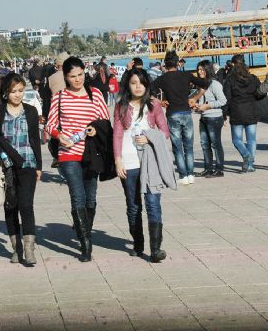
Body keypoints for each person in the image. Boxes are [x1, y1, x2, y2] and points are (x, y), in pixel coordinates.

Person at [45, 56, 109, 262]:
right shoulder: (60, 97)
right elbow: (49, 125)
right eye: (73, 76)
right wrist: (59, 135)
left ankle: (85, 230)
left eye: (80, 74)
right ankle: (85, 244)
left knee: (91, 197)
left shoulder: (95, 94)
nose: (77, 79)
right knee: (78, 196)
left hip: (91, 153)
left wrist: (95, 129)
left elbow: (105, 120)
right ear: (65, 77)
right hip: (68, 153)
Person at [113, 69, 172, 262]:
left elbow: (165, 132)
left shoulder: (154, 105)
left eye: (141, 82)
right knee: (133, 206)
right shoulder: (121, 106)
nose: (138, 86)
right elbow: (117, 135)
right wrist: (118, 160)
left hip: (151, 161)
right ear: (127, 85)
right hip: (128, 163)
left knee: (153, 204)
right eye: (133, 83)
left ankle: (155, 249)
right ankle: (138, 244)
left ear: (147, 84)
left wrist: (149, 138)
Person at [0, 73, 42, 266]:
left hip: (27, 163)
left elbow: (35, 139)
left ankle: (29, 249)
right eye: (13, 91)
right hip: (6, 166)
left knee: (26, 205)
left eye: (20, 91)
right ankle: (16, 248)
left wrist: (39, 166)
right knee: (10, 206)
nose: (17, 95)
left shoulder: (31, 111)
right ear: (5, 93)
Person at [152, 50, 207, 184]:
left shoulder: (163, 78)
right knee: (188, 146)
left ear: (165, 64)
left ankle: (183, 175)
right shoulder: (186, 75)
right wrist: (194, 98)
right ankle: (190, 174)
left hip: (172, 113)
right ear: (177, 63)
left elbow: (147, 90)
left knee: (177, 147)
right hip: (186, 113)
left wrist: (160, 101)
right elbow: (205, 84)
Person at [224, 54, 262, 172]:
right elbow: (260, 93)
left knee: (236, 140)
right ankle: (250, 165)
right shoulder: (253, 78)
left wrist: (224, 114)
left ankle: (246, 155)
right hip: (251, 111)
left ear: (233, 64)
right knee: (252, 140)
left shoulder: (230, 80)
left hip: (237, 112)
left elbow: (227, 98)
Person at [190, 60, 227, 177]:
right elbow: (201, 101)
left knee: (216, 144)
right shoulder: (200, 85)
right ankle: (208, 168)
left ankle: (219, 169)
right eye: (198, 70)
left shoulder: (215, 84)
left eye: (202, 69)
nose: (200, 72)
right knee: (204, 144)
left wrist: (208, 106)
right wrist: (197, 106)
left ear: (208, 70)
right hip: (203, 117)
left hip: (214, 117)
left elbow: (223, 101)